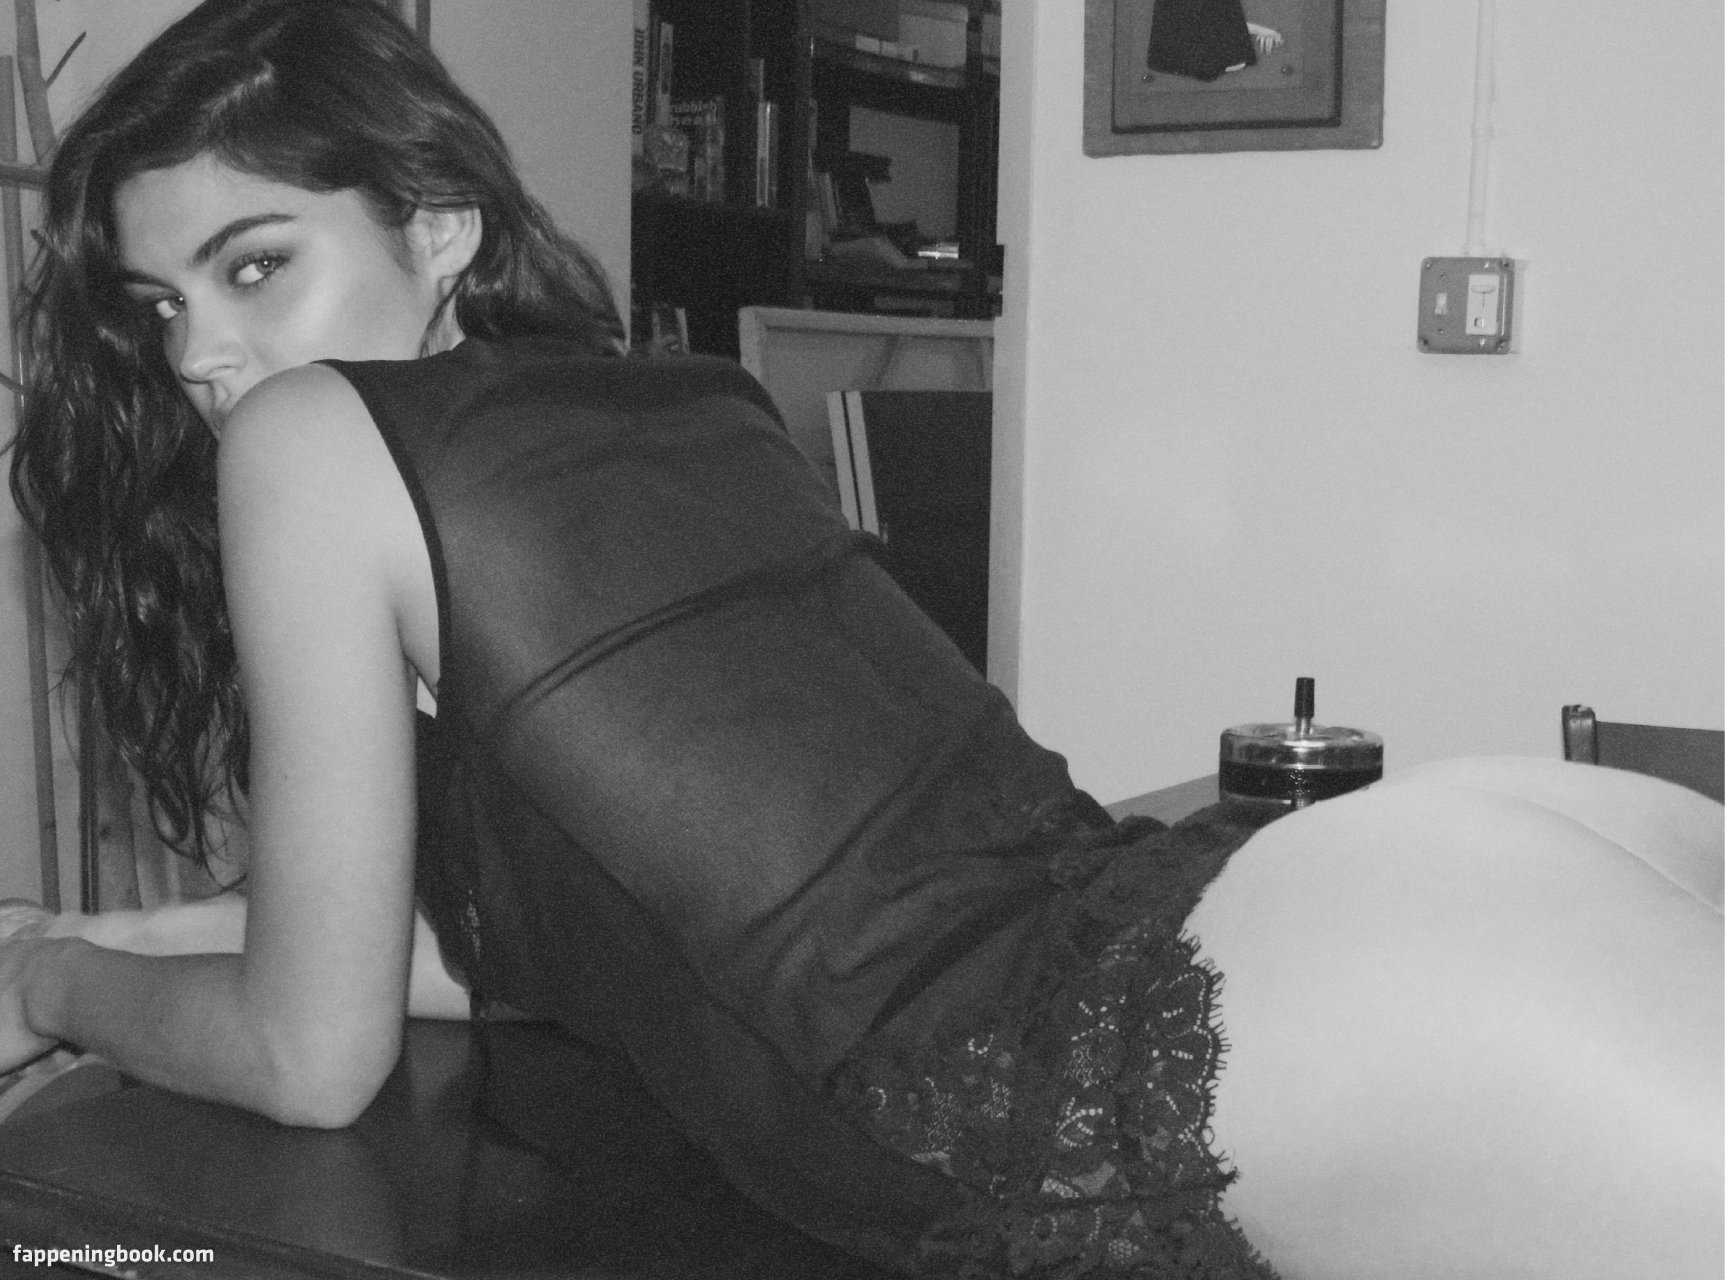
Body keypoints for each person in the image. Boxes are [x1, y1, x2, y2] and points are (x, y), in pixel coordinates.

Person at [2, 2, 1718, 1277]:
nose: (200, 357)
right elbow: (524, 940)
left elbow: (310, 1055)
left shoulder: (310, 437)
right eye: (160, 307)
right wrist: (116, 930)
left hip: (1279, 1025)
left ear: (436, 226)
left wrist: (41, 982)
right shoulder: (684, 409)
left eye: (253, 267)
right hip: (1391, 904)